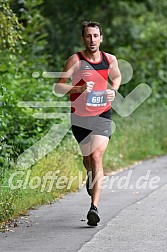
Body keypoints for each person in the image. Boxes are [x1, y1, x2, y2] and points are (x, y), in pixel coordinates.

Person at [55, 21, 121, 226]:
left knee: (96, 156)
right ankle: (90, 177)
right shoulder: (75, 60)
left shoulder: (110, 59)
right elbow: (58, 87)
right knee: (88, 162)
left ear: (101, 38)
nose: (92, 40)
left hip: (102, 115)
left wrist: (114, 90)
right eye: (88, 36)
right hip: (80, 118)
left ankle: (94, 208)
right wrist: (79, 89)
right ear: (83, 39)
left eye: (95, 36)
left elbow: (116, 77)